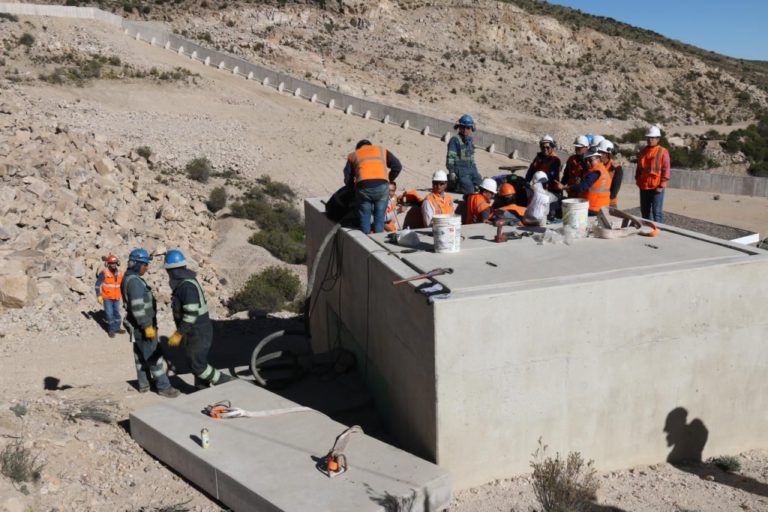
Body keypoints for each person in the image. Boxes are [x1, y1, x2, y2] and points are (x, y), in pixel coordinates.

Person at [164, 249, 234, 389]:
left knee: (198, 366)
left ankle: (227, 382)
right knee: (196, 361)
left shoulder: (186, 287)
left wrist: (179, 334)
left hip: (198, 331)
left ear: (172, 270)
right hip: (194, 331)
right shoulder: (185, 282)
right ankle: (201, 391)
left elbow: (190, 315)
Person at [121, 248, 179, 397]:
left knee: (140, 356)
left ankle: (144, 385)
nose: (146, 268)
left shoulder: (131, 278)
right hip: (144, 326)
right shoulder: (134, 282)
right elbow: (138, 308)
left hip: (138, 326)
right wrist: (147, 327)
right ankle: (164, 387)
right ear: (135, 264)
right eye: (144, 265)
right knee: (154, 356)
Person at [343, 140, 403, 234]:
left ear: (358, 148)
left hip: (363, 188)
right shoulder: (381, 150)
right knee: (380, 218)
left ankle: (365, 238)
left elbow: (348, 177)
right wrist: (389, 180)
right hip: (382, 187)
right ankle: (379, 238)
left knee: (365, 217)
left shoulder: (354, 155)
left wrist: (352, 190)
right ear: (371, 146)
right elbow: (397, 166)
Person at [635, 125, 671, 223]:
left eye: (653, 138)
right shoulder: (643, 152)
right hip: (644, 186)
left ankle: (659, 234)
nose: (650, 139)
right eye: (649, 137)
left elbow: (666, 168)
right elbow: (639, 168)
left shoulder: (663, 152)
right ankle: (647, 231)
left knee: (657, 212)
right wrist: (638, 180)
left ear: (658, 139)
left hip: (657, 187)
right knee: (645, 212)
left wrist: (662, 184)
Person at [525, 135, 562, 220]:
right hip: (539, 189)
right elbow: (531, 171)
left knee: (547, 209)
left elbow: (551, 177)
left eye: (548, 147)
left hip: (551, 190)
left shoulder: (555, 160)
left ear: (552, 147)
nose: (545, 149)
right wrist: (527, 182)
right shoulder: (538, 158)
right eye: (543, 147)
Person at [566, 147, 612, 216]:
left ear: (598, 159)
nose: (588, 163)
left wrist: (566, 188)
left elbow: (583, 187)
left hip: (593, 208)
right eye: (586, 160)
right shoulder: (600, 170)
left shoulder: (596, 172)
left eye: (590, 160)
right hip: (598, 208)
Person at [446, 114, 482, 194]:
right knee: (469, 190)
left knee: (481, 186)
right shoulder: (454, 140)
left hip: (471, 170)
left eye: (468, 128)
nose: (465, 130)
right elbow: (450, 158)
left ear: (471, 128)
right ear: (459, 127)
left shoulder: (470, 141)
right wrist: (451, 172)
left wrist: (476, 172)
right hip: (459, 171)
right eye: (463, 127)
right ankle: (454, 184)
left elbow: (472, 159)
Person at [95, 254, 125, 338]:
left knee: (117, 313)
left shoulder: (120, 273)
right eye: (111, 263)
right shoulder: (104, 272)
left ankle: (117, 328)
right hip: (107, 298)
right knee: (109, 314)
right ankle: (111, 330)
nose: (113, 264)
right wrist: (98, 295)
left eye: (115, 263)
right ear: (108, 263)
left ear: (117, 263)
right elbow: (97, 285)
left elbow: (123, 284)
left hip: (116, 297)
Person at [596, 139, 624, 207]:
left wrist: (604, 200)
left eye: (601, 153)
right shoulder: (596, 166)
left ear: (608, 154)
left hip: (609, 203)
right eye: (598, 152)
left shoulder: (616, 168)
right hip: (596, 201)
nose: (599, 155)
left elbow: (614, 190)